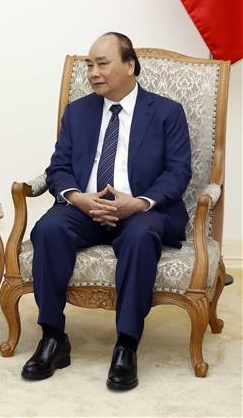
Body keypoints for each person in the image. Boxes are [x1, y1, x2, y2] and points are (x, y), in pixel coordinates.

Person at [22, 32, 191, 390]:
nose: (93, 73)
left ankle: (126, 345)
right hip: (85, 206)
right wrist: (77, 197)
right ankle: (53, 337)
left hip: (140, 210)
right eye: (89, 65)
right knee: (49, 229)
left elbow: (178, 173)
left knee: (142, 237)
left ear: (130, 66)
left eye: (102, 63)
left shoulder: (166, 113)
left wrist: (138, 203)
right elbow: (59, 167)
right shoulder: (79, 112)